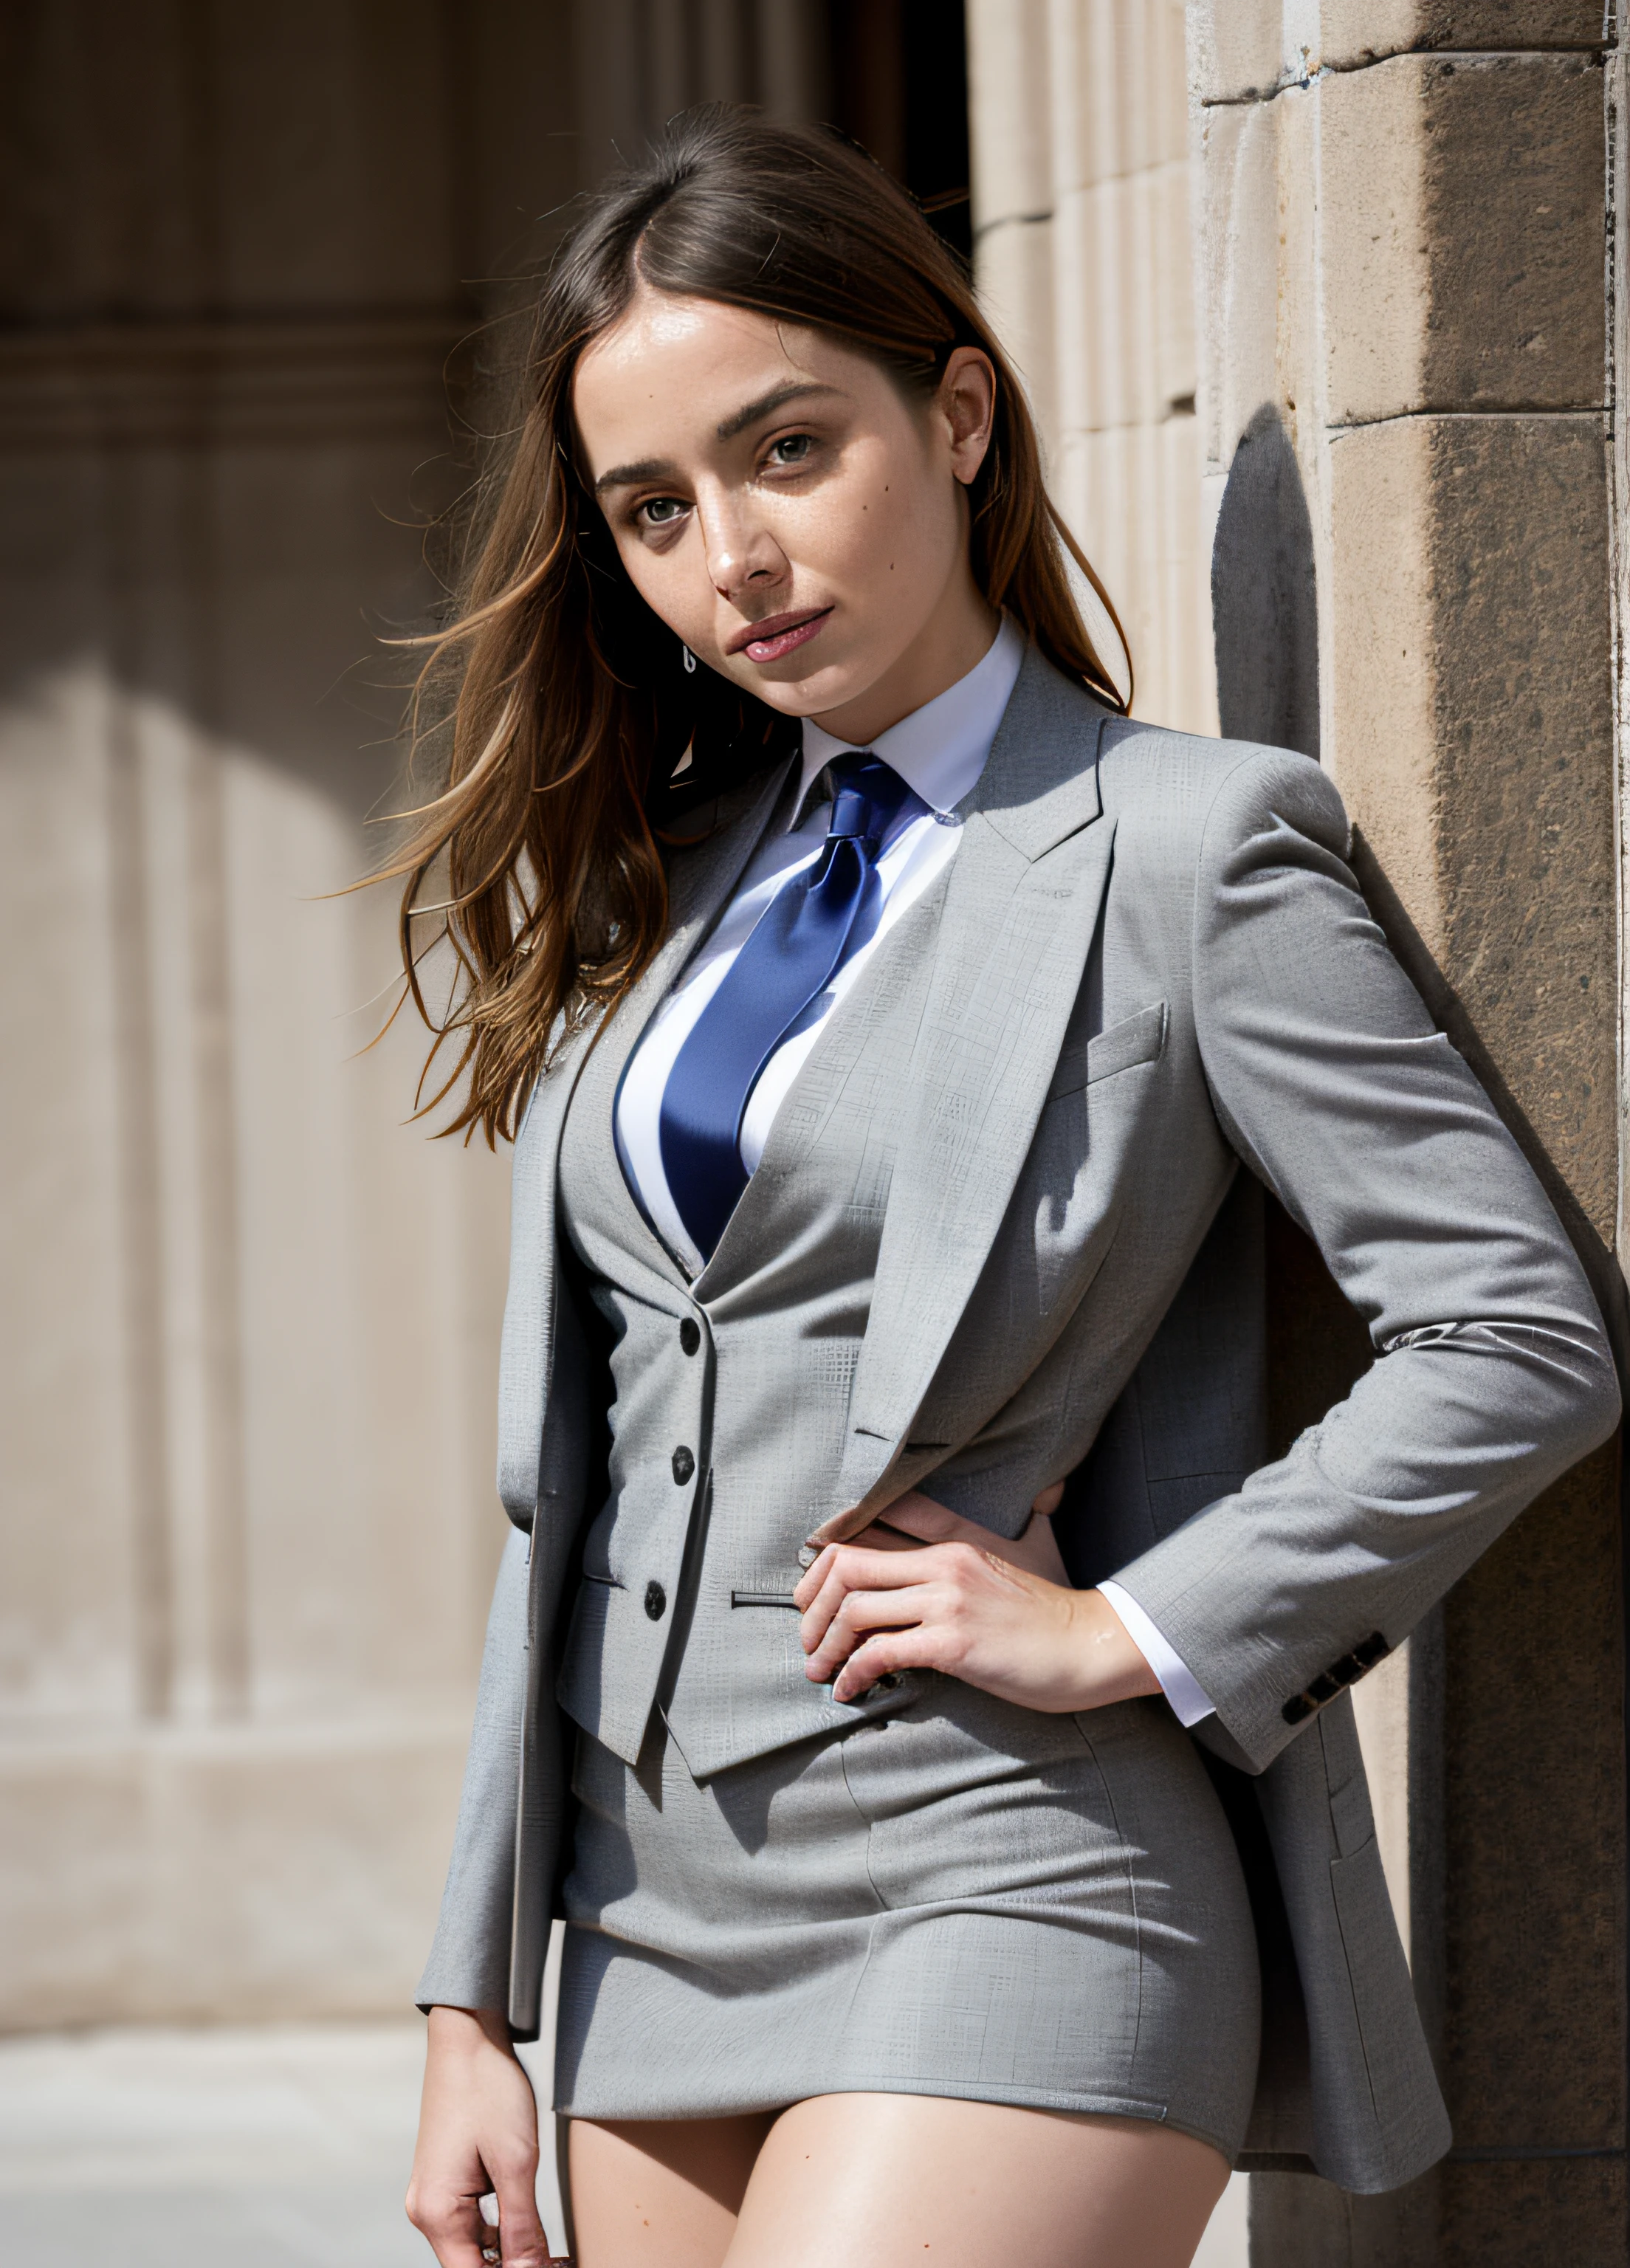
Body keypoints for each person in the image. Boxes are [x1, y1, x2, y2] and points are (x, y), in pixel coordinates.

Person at [395, 108, 1618, 2268]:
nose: (732, 561)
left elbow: (1518, 1336)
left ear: (956, 412)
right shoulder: (665, 900)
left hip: (1008, 1863)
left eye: (789, 451)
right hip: (643, 1917)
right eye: (654, 511)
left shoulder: (1188, 850)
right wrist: (469, 1992)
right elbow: (567, 1495)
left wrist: (1123, 1629)